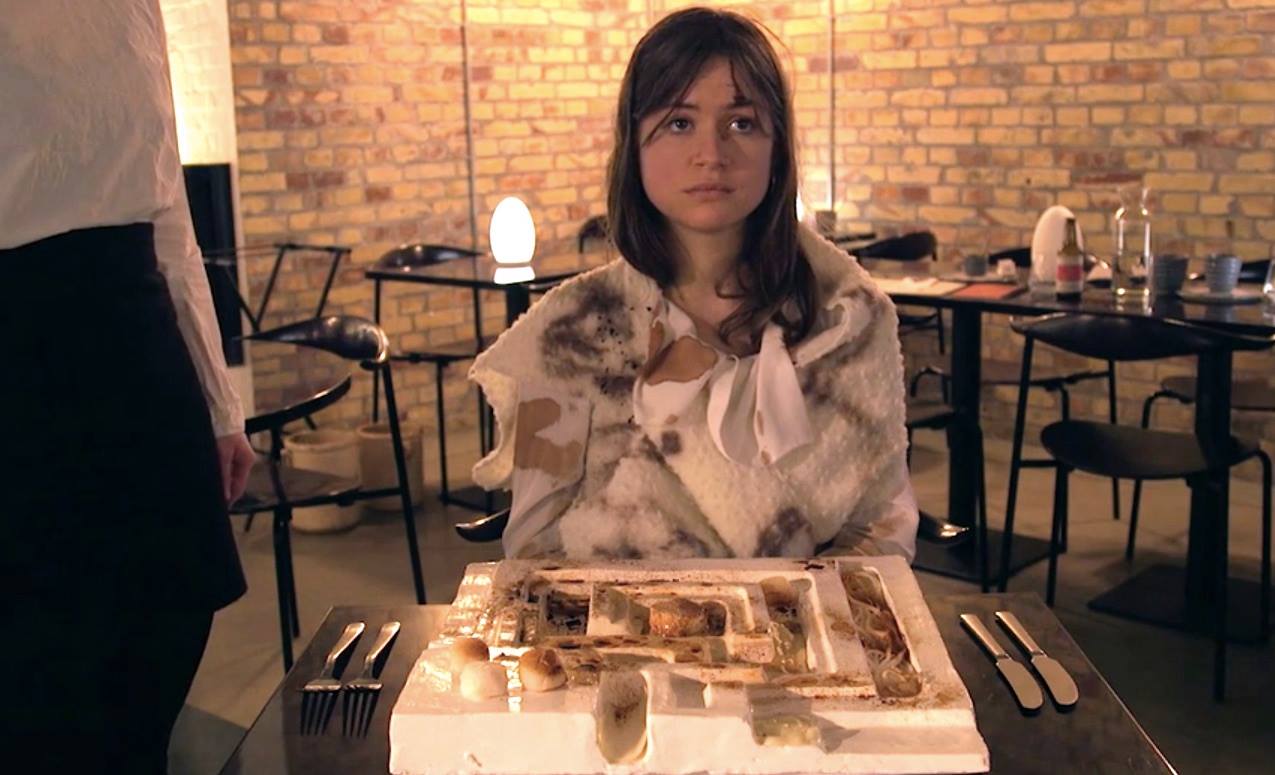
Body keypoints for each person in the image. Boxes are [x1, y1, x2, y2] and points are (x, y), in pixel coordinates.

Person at [470, 7, 918, 562]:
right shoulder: (572, 334)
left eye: (742, 123)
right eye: (679, 123)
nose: (712, 155)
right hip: (616, 618)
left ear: (777, 148)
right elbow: (535, 547)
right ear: (634, 145)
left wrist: (791, 603)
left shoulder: (847, 320)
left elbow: (883, 526)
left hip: (807, 613)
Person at [0, 2, 253, 772]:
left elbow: (170, 206)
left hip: (135, 333)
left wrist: (220, 405)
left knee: (161, 625)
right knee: (37, 672)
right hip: (16, 357)